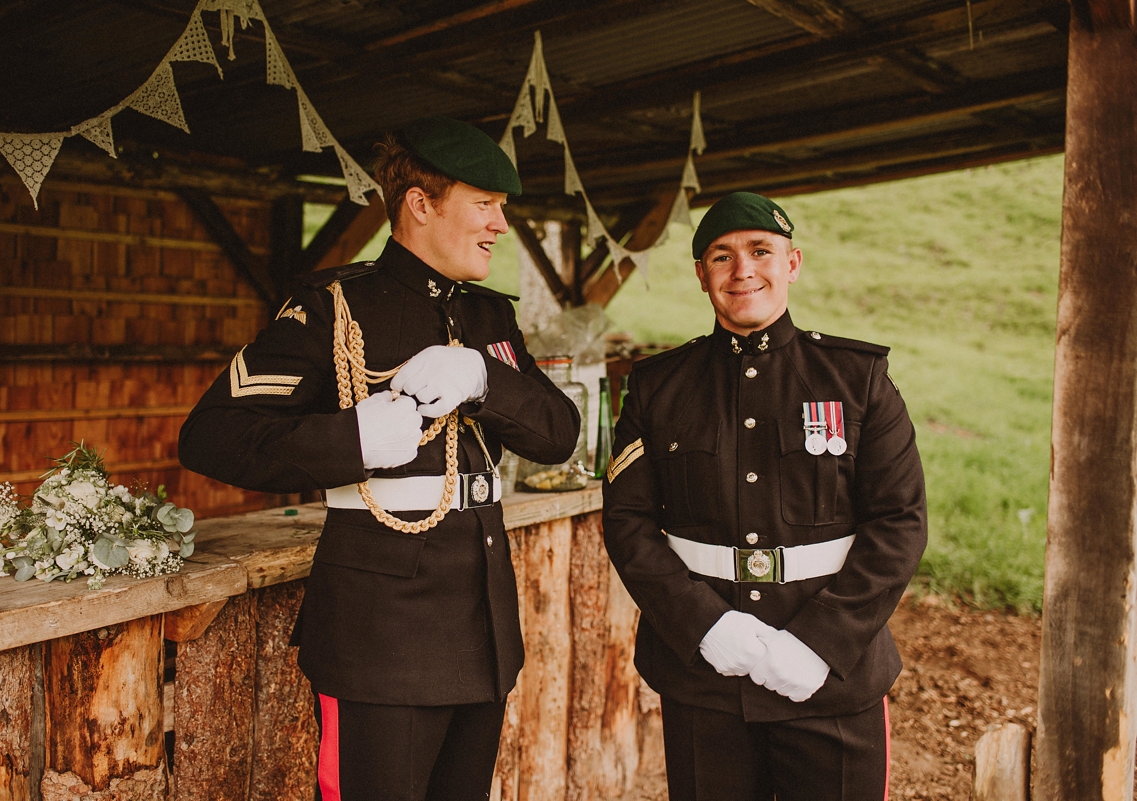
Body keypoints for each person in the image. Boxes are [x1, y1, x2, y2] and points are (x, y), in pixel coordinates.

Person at [178, 116, 580, 800]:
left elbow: (559, 432)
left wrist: (485, 379)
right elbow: (211, 434)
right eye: (484, 204)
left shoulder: (489, 319)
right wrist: (351, 441)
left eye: (501, 208)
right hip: (381, 638)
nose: (500, 226)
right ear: (421, 204)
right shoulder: (333, 309)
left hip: (482, 630)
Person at [602, 192, 927, 801]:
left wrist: (820, 643)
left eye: (760, 251)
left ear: (793, 263)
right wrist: (705, 627)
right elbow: (628, 523)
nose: (742, 270)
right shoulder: (657, 388)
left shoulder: (857, 380)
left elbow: (900, 522)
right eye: (721, 257)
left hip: (832, 680)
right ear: (701, 276)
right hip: (705, 679)